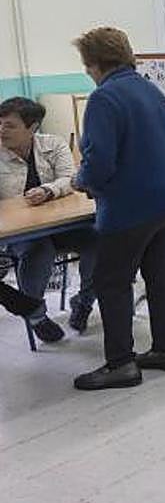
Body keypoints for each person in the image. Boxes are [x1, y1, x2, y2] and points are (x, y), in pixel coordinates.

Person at [69, 27, 165, 390]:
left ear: (92, 63)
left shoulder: (104, 98)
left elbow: (100, 161)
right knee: (159, 274)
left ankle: (120, 363)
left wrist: (81, 181)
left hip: (132, 204)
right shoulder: (149, 89)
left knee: (112, 281)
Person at [0, 96, 97, 339]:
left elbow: (71, 178)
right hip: (22, 233)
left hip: (62, 225)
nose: (2, 130)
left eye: (9, 125)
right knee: (39, 249)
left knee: (99, 241)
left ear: (32, 128)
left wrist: (48, 190)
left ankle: (84, 302)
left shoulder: (53, 144)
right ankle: (36, 314)